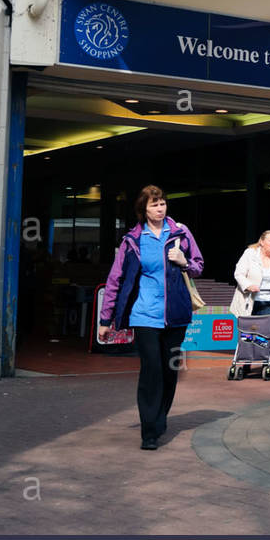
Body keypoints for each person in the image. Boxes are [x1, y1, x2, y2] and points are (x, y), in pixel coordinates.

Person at [98, 186, 205, 451]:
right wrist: (105, 319)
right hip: (144, 315)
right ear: (143, 210)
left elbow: (199, 266)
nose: (160, 208)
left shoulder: (180, 233)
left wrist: (184, 261)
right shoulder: (132, 240)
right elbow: (115, 280)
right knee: (151, 371)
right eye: (155, 205)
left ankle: (160, 420)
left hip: (176, 316)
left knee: (169, 372)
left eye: (163, 204)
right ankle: (149, 432)